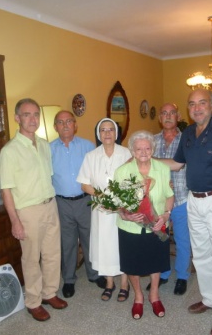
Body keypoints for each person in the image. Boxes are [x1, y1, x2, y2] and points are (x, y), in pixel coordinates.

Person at [161, 89, 212, 335]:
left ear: (211, 105)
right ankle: (209, 299)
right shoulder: (187, 133)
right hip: (194, 200)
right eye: (192, 104)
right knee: (202, 255)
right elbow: (176, 164)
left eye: (202, 103)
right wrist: (144, 160)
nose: (197, 108)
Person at [0, 98, 67, 322]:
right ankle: (34, 302)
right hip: (27, 211)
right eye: (27, 115)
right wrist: (14, 221)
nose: (32, 119)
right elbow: (6, 190)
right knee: (31, 258)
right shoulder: (9, 151)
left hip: (50, 205)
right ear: (17, 118)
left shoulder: (44, 145)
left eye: (36, 114)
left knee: (52, 254)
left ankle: (49, 293)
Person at [115, 130, 174, 320]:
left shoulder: (162, 169)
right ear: (132, 150)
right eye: (138, 148)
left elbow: (169, 196)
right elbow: (117, 202)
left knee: (155, 261)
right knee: (133, 263)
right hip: (130, 228)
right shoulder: (122, 171)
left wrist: (165, 215)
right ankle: (138, 296)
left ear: (152, 149)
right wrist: (125, 215)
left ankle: (154, 294)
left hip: (156, 226)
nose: (143, 152)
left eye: (147, 148)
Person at [50, 110, 106, 299]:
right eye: (60, 122)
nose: (65, 125)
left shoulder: (88, 146)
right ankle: (69, 279)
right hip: (62, 203)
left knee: (90, 239)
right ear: (55, 126)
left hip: (85, 201)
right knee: (67, 243)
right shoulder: (49, 150)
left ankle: (94, 274)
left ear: (75, 125)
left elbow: (98, 173)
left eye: (69, 121)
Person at [77, 118, 132, 302]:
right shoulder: (91, 156)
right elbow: (84, 184)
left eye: (110, 129)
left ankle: (124, 283)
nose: (107, 133)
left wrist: (120, 201)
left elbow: (134, 181)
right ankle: (109, 283)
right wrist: (102, 197)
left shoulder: (127, 154)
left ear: (116, 133)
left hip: (122, 208)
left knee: (122, 245)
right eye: (103, 130)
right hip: (100, 209)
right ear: (98, 134)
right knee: (105, 246)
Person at [150, 103, 191, 295]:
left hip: (182, 198)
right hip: (158, 202)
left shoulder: (188, 140)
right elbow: (145, 167)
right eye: (164, 113)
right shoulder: (151, 141)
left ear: (178, 116)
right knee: (161, 239)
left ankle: (182, 275)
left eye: (172, 113)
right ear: (159, 118)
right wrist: (163, 182)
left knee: (183, 240)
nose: (168, 116)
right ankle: (163, 274)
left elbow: (188, 166)